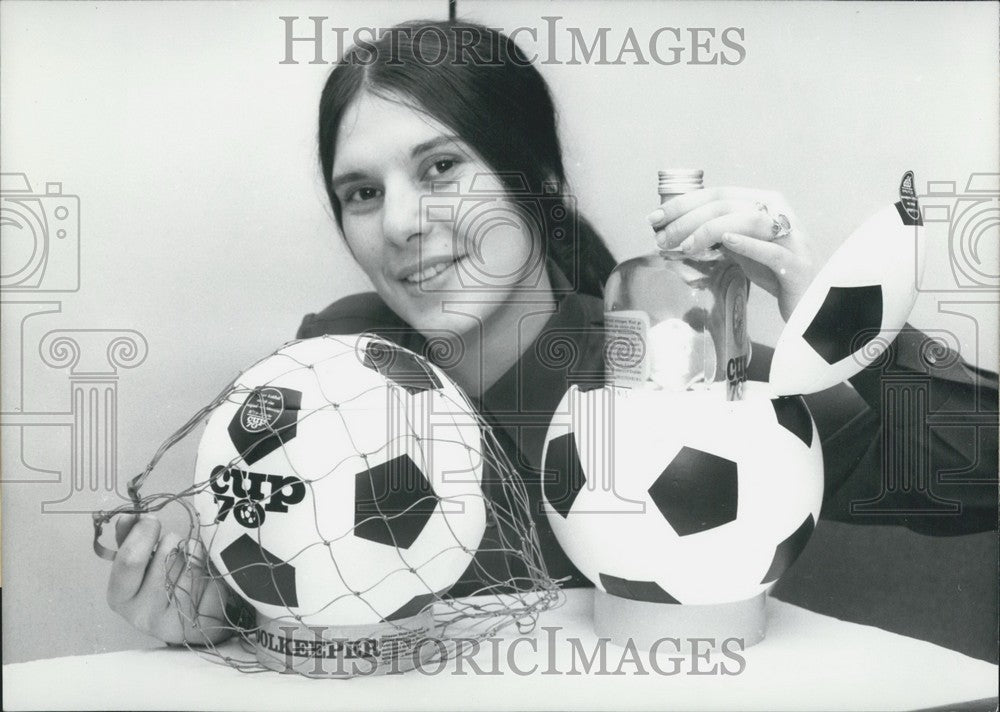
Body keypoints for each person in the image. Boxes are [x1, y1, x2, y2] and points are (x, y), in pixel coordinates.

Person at [108, 19, 998, 652]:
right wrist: (202, 608)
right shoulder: (326, 369)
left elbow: (979, 476)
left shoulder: (668, 367)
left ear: (534, 178)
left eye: (442, 167)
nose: (404, 223)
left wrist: (835, 311)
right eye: (362, 193)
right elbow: (277, 585)